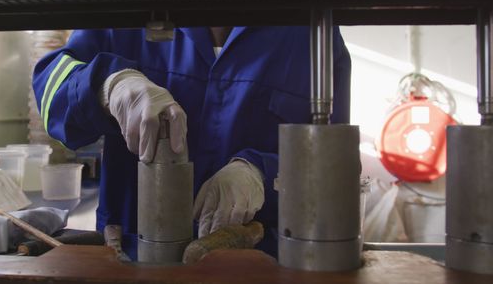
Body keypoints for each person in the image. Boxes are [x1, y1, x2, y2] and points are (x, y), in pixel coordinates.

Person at [32, 26, 351, 259]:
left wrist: (263, 175)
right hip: (133, 258)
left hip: (259, 262)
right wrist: (108, 85)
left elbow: (332, 173)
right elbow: (50, 89)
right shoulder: (133, 0)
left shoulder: (310, 32)